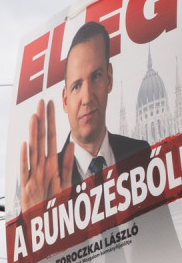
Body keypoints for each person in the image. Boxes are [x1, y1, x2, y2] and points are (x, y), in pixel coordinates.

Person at [17, 20, 153, 212]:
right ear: (65, 100)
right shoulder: (43, 185)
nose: (87, 98)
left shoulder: (140, 154)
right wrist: (35, 222)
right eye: (77, 86)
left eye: (96, 76)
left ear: (109, 78)